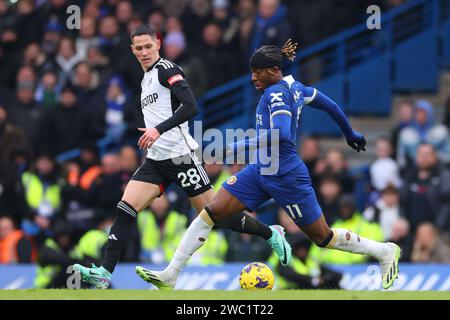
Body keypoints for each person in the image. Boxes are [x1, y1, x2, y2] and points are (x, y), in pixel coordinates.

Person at [139, 39, 401, 290]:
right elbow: (329, 104)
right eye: (252, 72)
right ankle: (171, 275)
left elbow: (282, 134)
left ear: (274, 71)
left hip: (286, 175)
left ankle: (384, 251)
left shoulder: (276, 93)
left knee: (323, 237)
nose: (253, 78)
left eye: (257, 72)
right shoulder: (295, 87)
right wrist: (349, 133)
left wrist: (234, 147)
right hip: (260, 169)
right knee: (210, 212)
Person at [73, 25, 291, 289]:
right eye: (138, 48)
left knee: (216, 216)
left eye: (148, 47)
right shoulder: (146, 79)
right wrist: (154, 133)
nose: (143, 52)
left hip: (181, 157)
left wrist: (158, 129)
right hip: (155, 161)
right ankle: (105, 273)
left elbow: (191, 106)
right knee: (125, 209)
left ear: (158, 44)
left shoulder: (167, 70)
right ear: (132, 50)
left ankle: (271, 233)